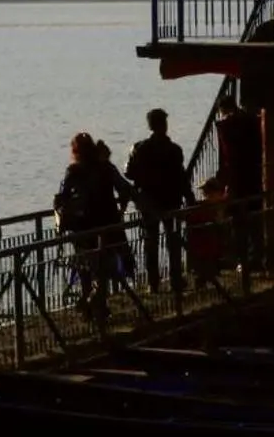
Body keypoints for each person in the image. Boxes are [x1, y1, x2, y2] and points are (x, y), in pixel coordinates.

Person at [55, 132, 133, 320]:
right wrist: (121, 209)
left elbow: (61, 198)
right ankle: (97, 304)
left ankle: (89, 303)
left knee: (85, 267)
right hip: (108, 225)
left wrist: (61, 218)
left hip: (82, 227)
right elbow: (125, 188)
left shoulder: (73, 171)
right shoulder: (106, 168)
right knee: (103, 269)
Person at [125, 108, 192, 296]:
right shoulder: (174, 149)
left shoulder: (139, 148)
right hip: (171, 200)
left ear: (150, 125)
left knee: (151, 243)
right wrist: (190, 198)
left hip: (149, 202)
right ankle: (176, 280)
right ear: (164, 124)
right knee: (173, 241)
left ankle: (153, 283)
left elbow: (128, 172)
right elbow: (181, 177)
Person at [210, 90, 265, 271]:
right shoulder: (253, 122)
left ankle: (242, 259)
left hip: (236, 181)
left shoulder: (226, 127)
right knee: (255, 219)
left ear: (222, 109)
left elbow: (227, 159)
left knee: (237, 221)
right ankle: (257, 256)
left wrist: (221, 180)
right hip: (254, 178)